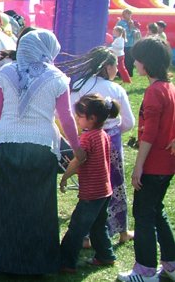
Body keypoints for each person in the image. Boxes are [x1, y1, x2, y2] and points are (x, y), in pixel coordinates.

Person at [0, 29, 85, 275]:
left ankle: (0, 260)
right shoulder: (57, 78)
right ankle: (37, 263)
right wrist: (76, 148)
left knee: (4, 204)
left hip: (6, 143)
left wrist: (3, 131)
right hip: (41, 145)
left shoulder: (6, 72)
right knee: (39, 207)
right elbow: (66, 117)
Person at [60, 46, 135, 244]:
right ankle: (121, 231)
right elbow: (129, 122)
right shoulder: (115, 89)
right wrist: (113, 132)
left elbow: (68, 115)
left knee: (90, 186)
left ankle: (86, 235)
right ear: (108, 66)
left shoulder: (79, 87)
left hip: (86, 140)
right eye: (115, 66)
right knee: (115, 184)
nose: (117, 70)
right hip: (112, 141)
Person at [118, 37, 175, 282]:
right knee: (156, 210)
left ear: (147, 63)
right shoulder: (169, 87)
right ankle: (171, 264)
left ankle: (145, 270)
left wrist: (138, 166)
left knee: (143, 214)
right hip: (167, 165)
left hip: (154, 164)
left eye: (137, 59)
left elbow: (149, 133)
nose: (135, 63)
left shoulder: (154, 91)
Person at [59, 94, 118, 273]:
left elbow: (78, 160)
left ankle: (65, 262)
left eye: (80, 116)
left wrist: (65, 177)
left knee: (76, 228)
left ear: (92, 118)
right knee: (98, 226)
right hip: (104, 190)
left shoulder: (86, 138)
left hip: (91, 193)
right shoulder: (103, 135)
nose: (77, 119)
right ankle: (106, 255)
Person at [116, 8, 140, 76]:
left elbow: (134, 32)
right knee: (124, 59)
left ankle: (129, 73)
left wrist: (134, 29)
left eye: (130, 14)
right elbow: (125, 33)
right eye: (128, 14)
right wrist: (130, 27)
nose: (130, 16)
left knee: (130, 59)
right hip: (124, 44)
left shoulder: (131, 22)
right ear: (124, 15)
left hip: (131, 44)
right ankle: (121, 73)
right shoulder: (121, 23)